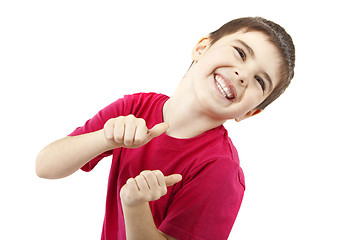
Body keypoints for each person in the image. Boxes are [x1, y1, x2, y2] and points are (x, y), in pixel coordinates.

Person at [36, 17, 295, 240]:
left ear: (250, 112)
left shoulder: (221, 169)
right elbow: (45, 166)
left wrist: (136, 205)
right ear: (202, 47)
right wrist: (106, 138)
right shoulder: (135, 106)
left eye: (259, 80)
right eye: (240, 53)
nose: (243, 75)